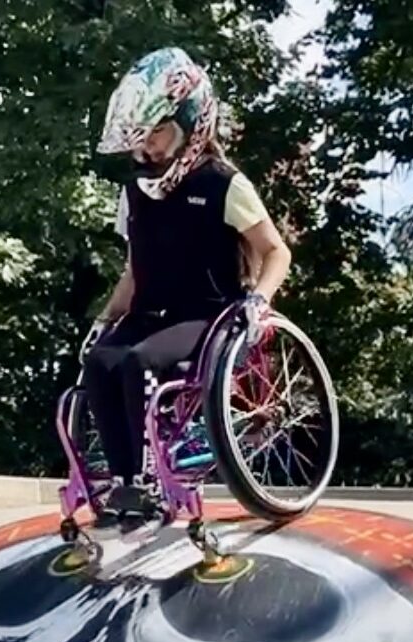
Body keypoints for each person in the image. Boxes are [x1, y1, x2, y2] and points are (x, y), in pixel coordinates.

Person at [83, 46, 292, 523]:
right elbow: (134, 272)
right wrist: (104, 319)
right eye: (140, 138)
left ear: (189, 123)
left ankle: (151, 476)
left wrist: (259, 300)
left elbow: (277, 251)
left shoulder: (224, 183)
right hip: (148, 312)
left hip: (205, 314)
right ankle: (126, 484)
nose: (145, 149)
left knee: (138, 363)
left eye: (155, 133)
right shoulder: (134, 192)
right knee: (99, 361)